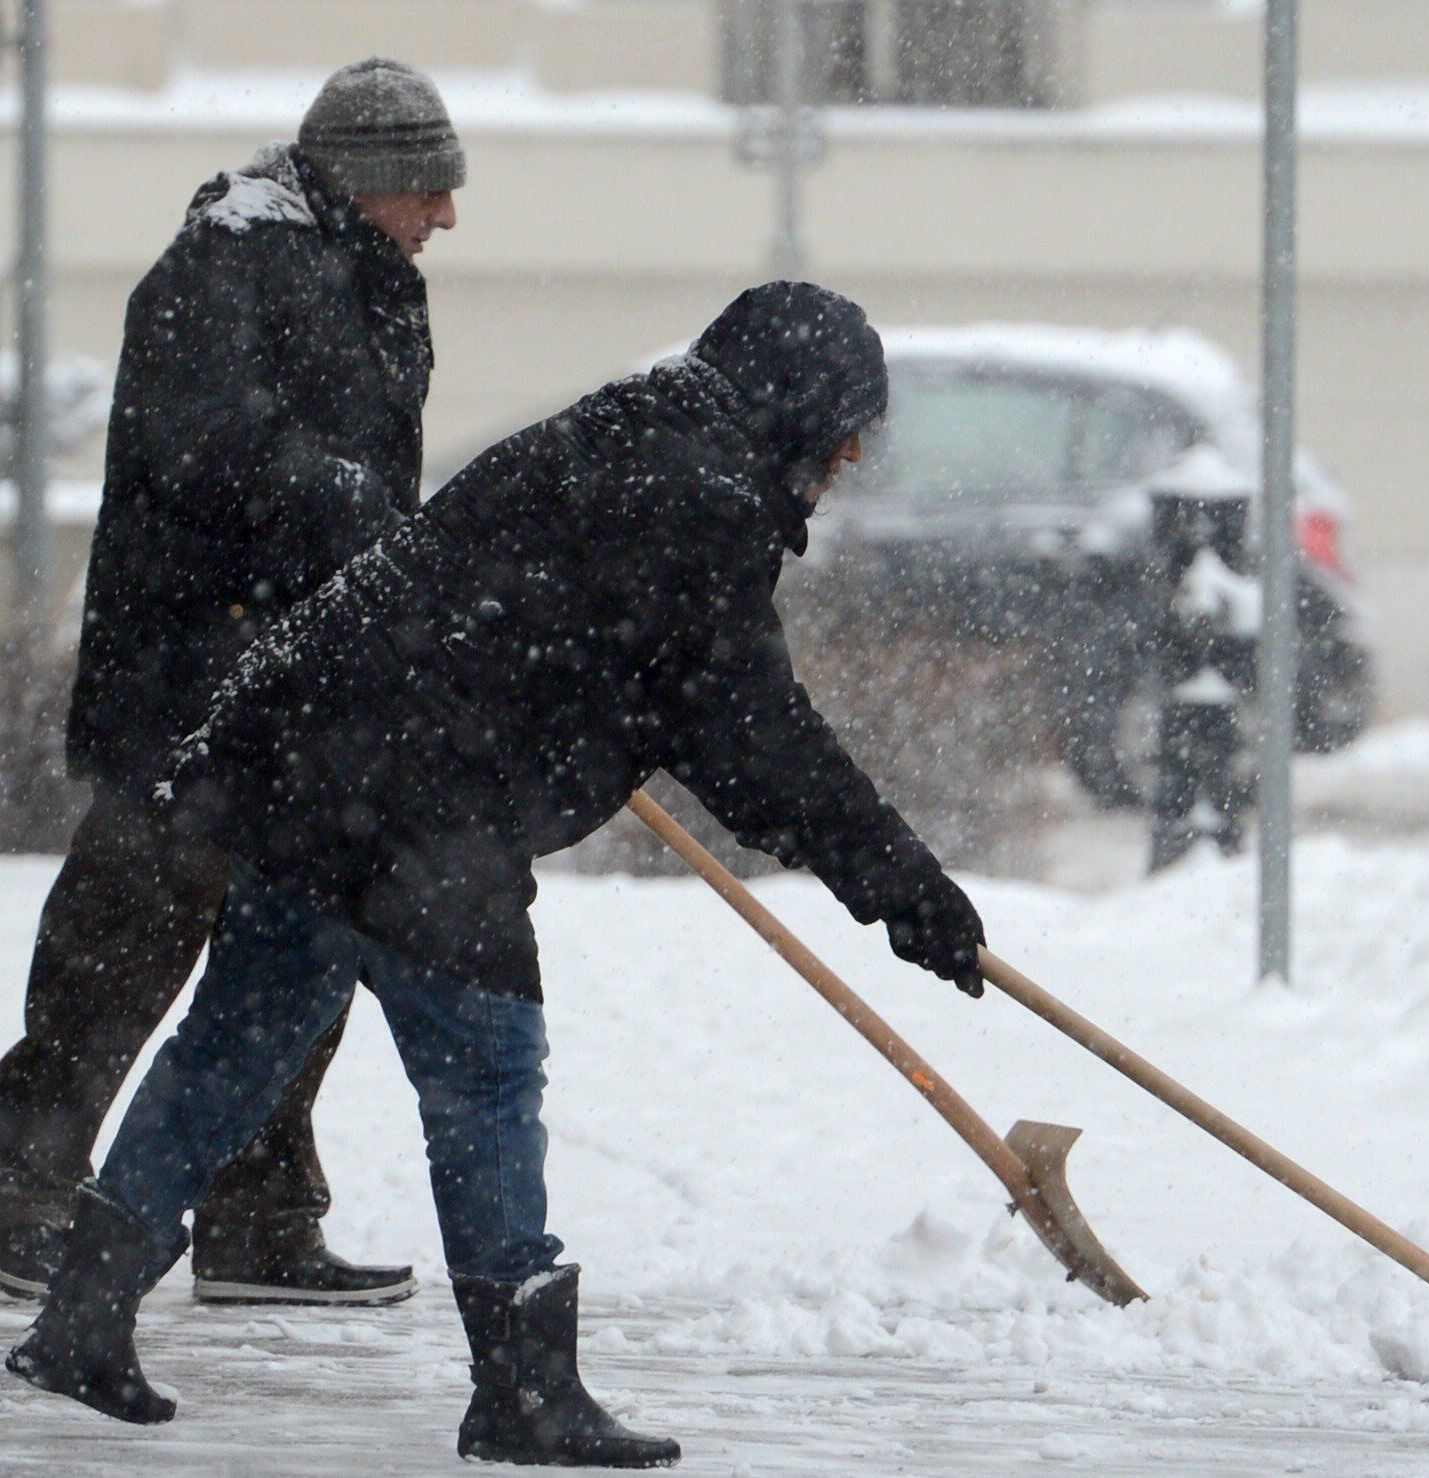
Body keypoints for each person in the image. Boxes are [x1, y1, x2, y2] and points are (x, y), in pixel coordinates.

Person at [7, 282, 988, 1468]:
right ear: (797, 410)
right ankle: (522, 1387)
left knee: (233, 1044)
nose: (843, 465)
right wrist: (901, 882)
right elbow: (749, 726)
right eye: (844, 437)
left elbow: (641, 666)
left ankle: (82, 1316)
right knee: (484, 1072)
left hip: (310, 765)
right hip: (418, 808)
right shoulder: (699, 496)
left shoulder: (628, 431)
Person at [0, 58, 463, 1306]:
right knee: (128, 937)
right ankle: (14, 1185)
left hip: (301, 683)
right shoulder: (227, 261)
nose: (446, 216)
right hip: (188, 678)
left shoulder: (368, 277)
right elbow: (210, 448)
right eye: (428, 187)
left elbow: (348, 468)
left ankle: (258, 1215)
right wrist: (359, 515)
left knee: (299, 936)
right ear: (366, 178)